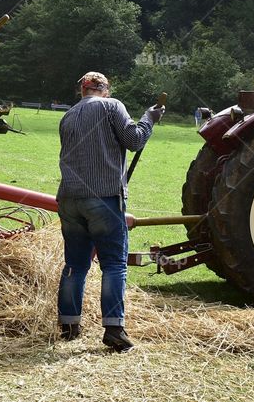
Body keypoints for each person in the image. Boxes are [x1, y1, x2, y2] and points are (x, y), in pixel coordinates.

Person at [56, 72, 164, 351]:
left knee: (75, 264)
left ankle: (68, 325)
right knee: (114, 264)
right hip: (103, 196)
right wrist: (148, 119)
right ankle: (114, 329)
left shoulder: (67, 117)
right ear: (104, 90)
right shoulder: (111, 106)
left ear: (82, 91)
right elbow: (134, 140)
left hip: (69, 198)